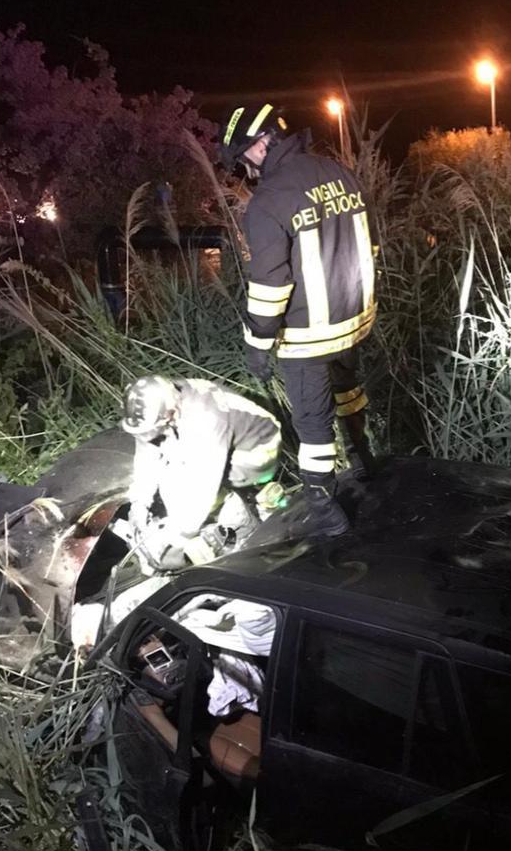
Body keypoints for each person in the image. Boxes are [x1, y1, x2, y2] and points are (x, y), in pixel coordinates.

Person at [219, 101, 376, 538]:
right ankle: (364, 460)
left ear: (260, 145)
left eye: (243, 158)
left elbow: (270, 286)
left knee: (312, 422)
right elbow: (369, 243)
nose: (245, 169)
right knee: (348, 392)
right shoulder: (339, 173)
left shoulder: (269, 201)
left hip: (307, 336)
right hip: (353, 320)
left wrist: (258, 344)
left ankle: (325, 510)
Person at [121, 375, 282, 571]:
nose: (150, 434)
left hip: (259, 449)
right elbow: (147, 453)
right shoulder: (158, 406)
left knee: (183, 482)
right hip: (225, 438)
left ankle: (242, 525)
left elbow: (203, 484)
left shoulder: (204, 417)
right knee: (173, 466)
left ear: (170, 412)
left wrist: (179, 539)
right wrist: (139, 502)